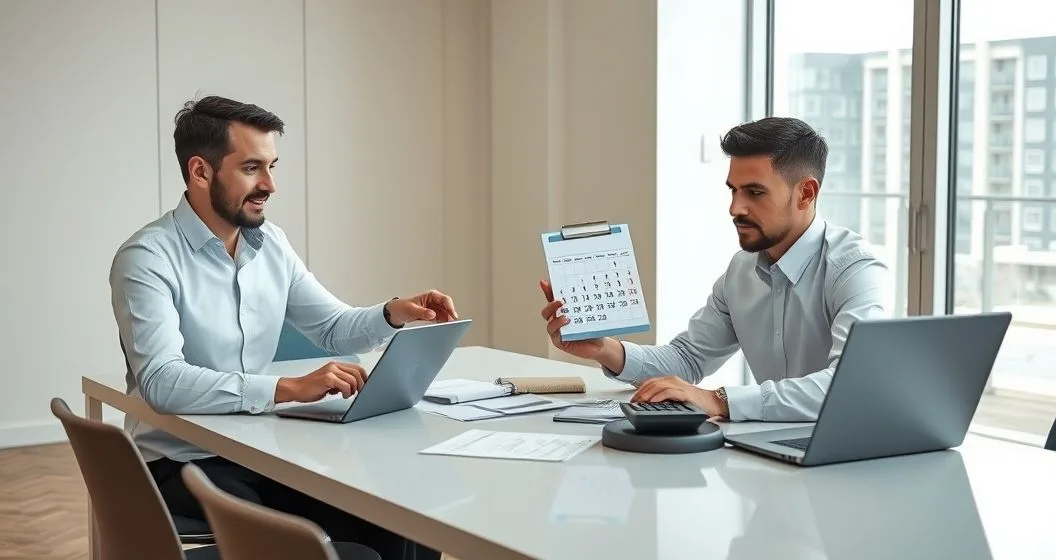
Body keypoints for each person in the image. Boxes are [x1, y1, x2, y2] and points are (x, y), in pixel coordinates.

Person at [109, 95, 455, 559]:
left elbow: (332, 327)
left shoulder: (270, 243)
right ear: (200, 171)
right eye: (252, 168)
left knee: (399, 518)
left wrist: (394, 312)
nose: (270, 184)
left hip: (259, 448)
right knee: (329, 539)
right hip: (180, 461)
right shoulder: (147, 258)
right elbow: (163, 382)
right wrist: (287, 387)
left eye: (272, 166)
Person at [539, 116, 890, 422]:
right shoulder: (741, 271)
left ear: (806, 193)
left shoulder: (855, 270)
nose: (735, 208)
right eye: (734, 190)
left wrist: (718, 400)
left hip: (850, 455)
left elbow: (848, 384)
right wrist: (605, 348)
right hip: (770, 447)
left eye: (755, 192)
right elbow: (688, 359)